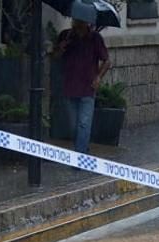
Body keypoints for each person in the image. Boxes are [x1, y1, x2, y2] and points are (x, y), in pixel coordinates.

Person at [54, 20, 111, 154]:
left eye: (81, 21)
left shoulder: (95, 38)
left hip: (87, 88)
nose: (77, 24)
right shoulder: (66, 36)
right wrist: (61, 48)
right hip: (69, 87)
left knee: (83, 124)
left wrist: (98, 77)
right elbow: (55, 58)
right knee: (73, 126)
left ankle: (80, 156)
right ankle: (81, 147)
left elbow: (107, 61)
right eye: (75, 20)